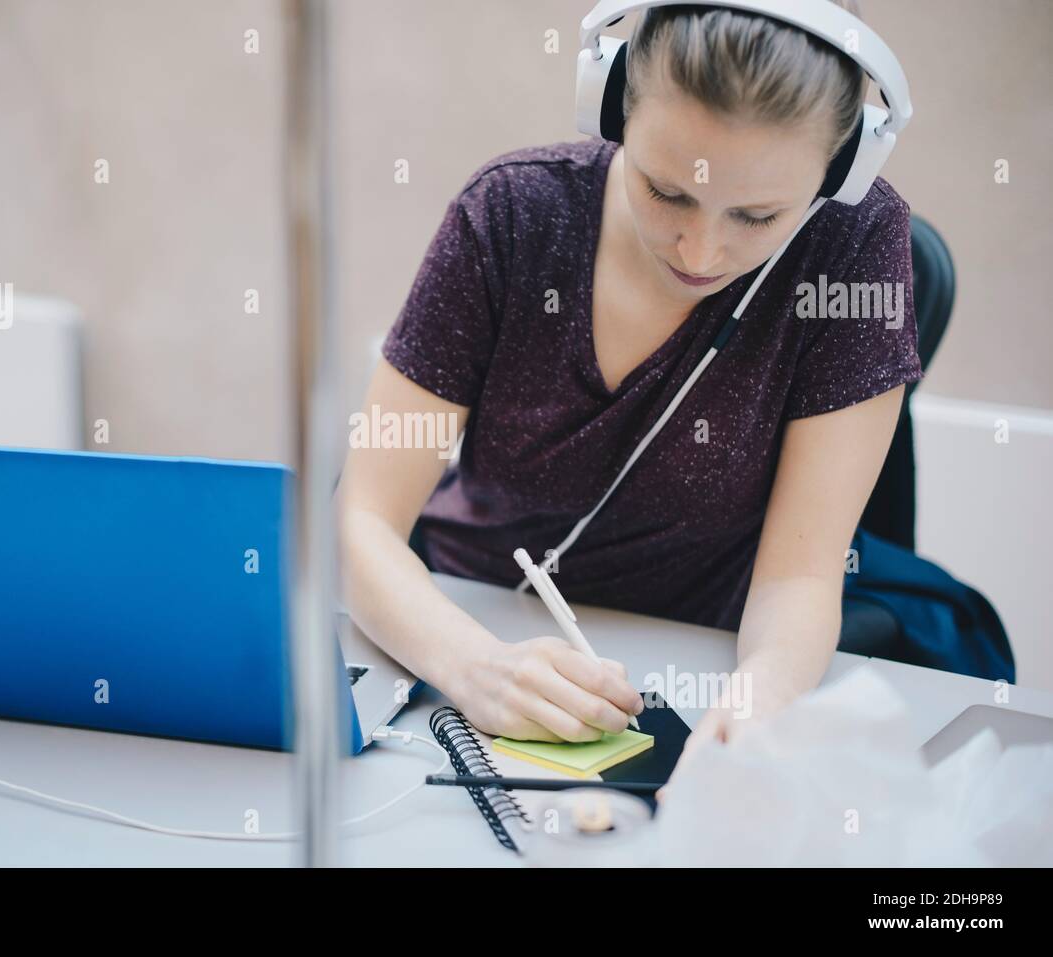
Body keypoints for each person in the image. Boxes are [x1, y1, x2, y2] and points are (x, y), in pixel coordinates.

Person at [336, 1, 919, 778]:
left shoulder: (855, 247)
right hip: (459, 629)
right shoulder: (510, 215)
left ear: (844, 167)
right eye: (667, 191)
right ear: (609, 105)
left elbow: (800, 579)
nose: (701, 251)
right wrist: (478, 668)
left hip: (695, 666)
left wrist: (757, 704)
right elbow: (363, 519)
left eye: (758, 215)